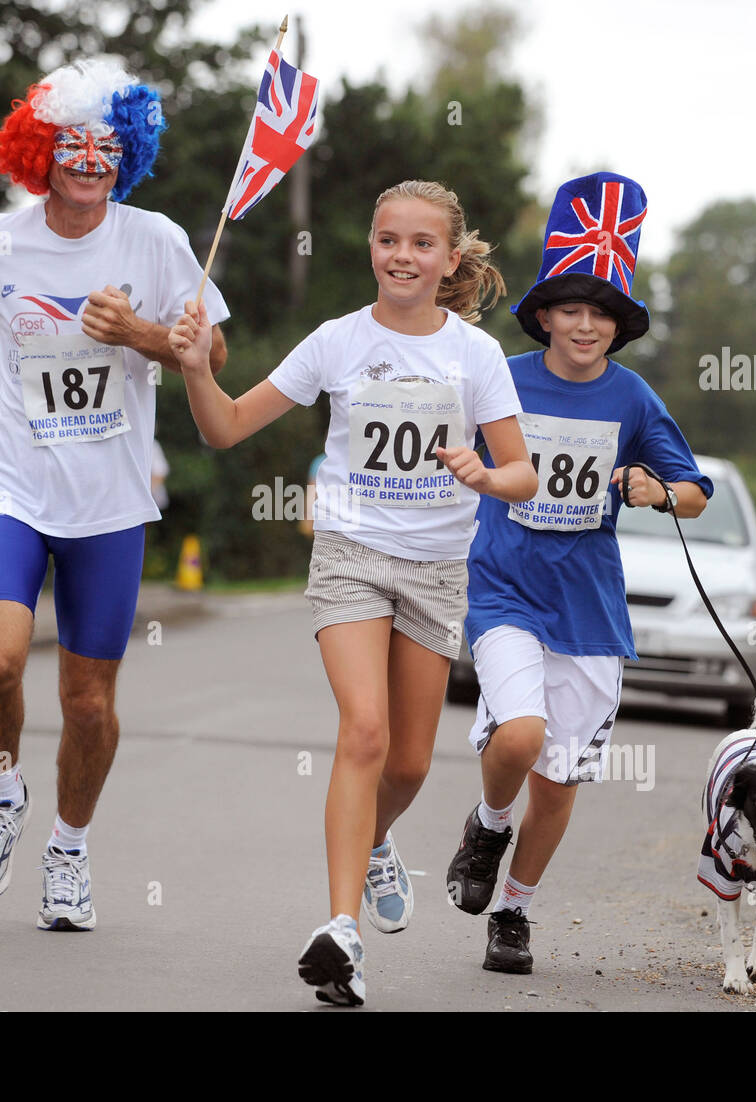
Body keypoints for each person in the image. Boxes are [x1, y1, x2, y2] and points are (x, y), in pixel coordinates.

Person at [169, 179, 537, 1006]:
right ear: (370, 246)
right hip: (350, 557)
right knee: (364, 732)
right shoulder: (337, 341)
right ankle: (343, 933)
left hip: (438, 570)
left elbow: (524, 472)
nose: (402, 256)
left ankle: (376, 844)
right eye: (388, 240)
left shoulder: (474, 355)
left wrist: (486, 472)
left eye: (421, 243)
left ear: (449, 258)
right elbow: (224, 426)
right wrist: (195, 367)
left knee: (407, 762)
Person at [0, 59, 229, 931]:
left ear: (127, 153)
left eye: (108, 145)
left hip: (110, 502)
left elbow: (210, 359)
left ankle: (69, 846)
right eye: (72, 143)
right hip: (15, 485)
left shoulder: (158, 241)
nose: (90, 159)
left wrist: (140, 333)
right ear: (43, 151)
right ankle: (2, 793)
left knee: (87, 702)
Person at [444, 172, 713, 975]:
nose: (585, 323)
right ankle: (489, 825)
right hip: (503, 590)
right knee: (519, 735)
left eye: (601, 312)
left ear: (616, 325)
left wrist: (656, 488)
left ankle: (515, 915)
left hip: (589, 608)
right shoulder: (501, 376)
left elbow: (694, 493)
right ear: (545, 314)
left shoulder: (633, 398)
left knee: (558, 783)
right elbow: (436, 425)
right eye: (571, 307)